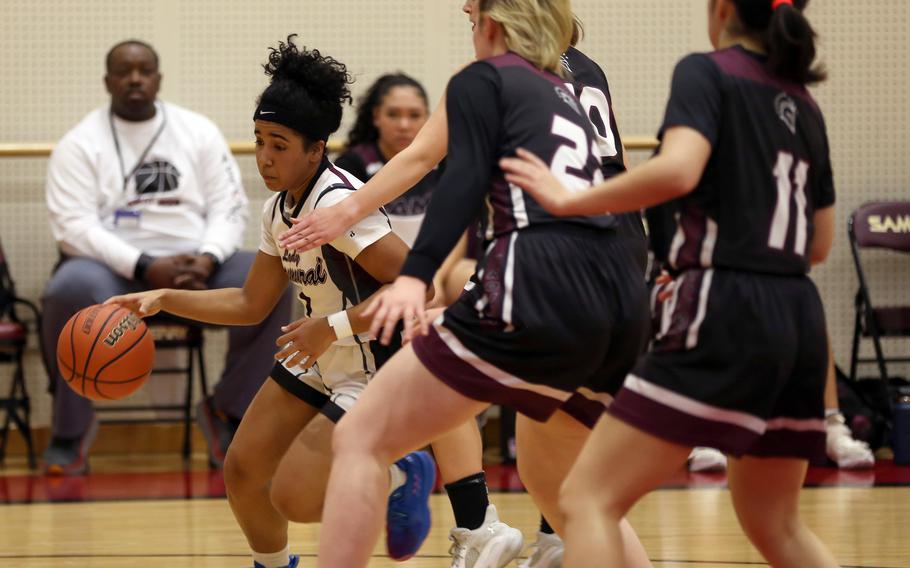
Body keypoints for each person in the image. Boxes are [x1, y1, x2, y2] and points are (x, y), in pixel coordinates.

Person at [279, 9, 652, 568]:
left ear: (497, 22)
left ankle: (477, 526)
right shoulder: (578, 74)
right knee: (567, 491)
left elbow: (452, 176)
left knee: (361, 439)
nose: (465, 18)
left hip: (543, 273)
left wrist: (413, 275)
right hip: (622, 281)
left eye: (473, 13)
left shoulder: (486, 76)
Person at [501, 1, 840, 566]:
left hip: (724, 304)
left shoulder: (706, 71)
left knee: (584, 497)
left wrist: (571, 199)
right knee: (778, 526)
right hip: (800, 315)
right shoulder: (803, 102)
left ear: (722, 9)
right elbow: (819, 244)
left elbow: (679, 169)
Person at [107, 37, 436, 568]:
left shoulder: (337, 203)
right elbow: (248, 302)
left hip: (371, 364)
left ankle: (403, 470)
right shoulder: (279, 208)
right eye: (259, 140)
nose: (263, 157)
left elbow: (422, 285)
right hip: (318, 356)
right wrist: (164, 298)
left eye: (279, 145)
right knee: (241, 470)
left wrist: (332, 326)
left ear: (316, 148)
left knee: (296, 497)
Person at [41, 39, 293, 475]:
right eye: (124, 71)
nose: (135, 78)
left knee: (269, 282)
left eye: (144, 70)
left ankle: (227, 413)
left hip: (195, 267)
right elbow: (73, 225)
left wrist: (210, 258)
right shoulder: (80, 142)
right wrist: (143, 266)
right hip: (114, 273)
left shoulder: (197, 131)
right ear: (108, 81)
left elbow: (228, 206)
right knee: (68, 288)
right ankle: (70, 429)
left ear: (158, 78)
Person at [337, 72, 525, 567]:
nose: (404, 123)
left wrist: (432, 281)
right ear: (374, 117)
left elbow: (459, 235)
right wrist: (412, 284)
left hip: (432, 269)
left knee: (467, 281)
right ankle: (459, 497)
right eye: (393, 114)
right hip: (382, 279)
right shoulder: (355, 167)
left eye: (415, 115)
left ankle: (482, 514)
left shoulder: (444, 161)